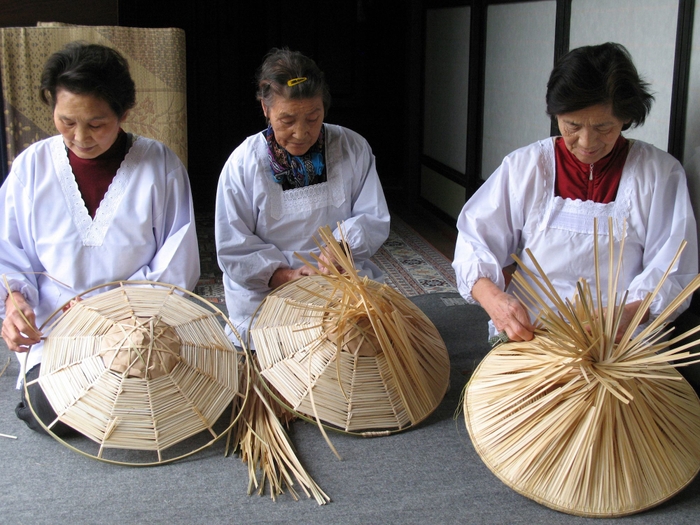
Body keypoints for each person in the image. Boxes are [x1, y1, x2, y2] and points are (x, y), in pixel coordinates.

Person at [0, 42, 200, 435]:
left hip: (140, 330)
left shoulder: (160, 165)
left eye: (96, 124)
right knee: (49, 407)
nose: (80, 137)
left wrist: (118, 320)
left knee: (169, 391)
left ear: (124, 114)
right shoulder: (31, 167)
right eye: (66, 121)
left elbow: (177, 265)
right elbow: (10, 252)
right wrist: (15, 300)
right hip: (60, 332)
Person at [453, 42, 698, 345]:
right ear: (556, 115)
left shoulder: (659, 174)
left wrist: (633, 311)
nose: (586, 142)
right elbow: (474, 242)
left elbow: (674, 269)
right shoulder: (526, 167)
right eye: (573, 125)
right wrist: (495, 301)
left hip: (620, 346)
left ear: (626, 118)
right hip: (532, 334)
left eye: (604, 127)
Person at [215, 48, 390, 344]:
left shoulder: (351, 147)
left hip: (340, 279)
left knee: (366, 335)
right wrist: (285, 277)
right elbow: (234, 247)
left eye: (313, 117)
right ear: (265, 109)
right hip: (267, 288)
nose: (301, 132)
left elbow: (373, 216)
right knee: (283, 353)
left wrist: (341, 247)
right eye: (287, 120)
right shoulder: (243, 164)